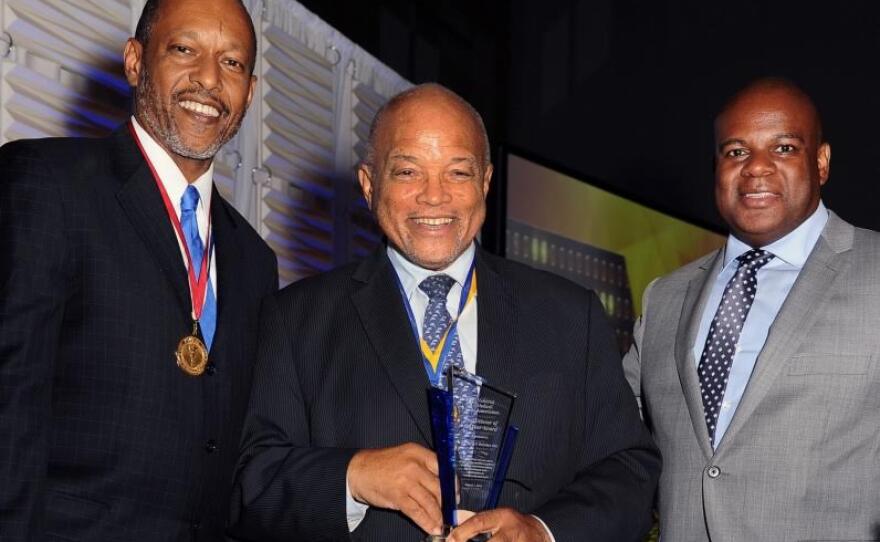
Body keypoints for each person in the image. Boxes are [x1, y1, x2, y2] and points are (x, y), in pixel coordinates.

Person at [229, 83, 660, 542]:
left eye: (457, 172)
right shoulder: (296, 320)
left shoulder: (573, 317)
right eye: (408, 172)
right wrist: (353, 477)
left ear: (486, 182)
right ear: (369, 184)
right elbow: (250, 488)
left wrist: (544, 531)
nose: (434, 197)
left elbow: (629, 471)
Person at [0, 0, 277, 539]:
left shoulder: (255, 261)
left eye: (232, 63)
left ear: (250, 90)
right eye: (184, 49)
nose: (208, 80)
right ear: (134, 61)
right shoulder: (49, 184)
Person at [623, 77, 880, 540]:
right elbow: (611, 437)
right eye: (736, 152)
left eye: (783, 148)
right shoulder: (665, 297)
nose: (755, 168)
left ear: (820, 162)